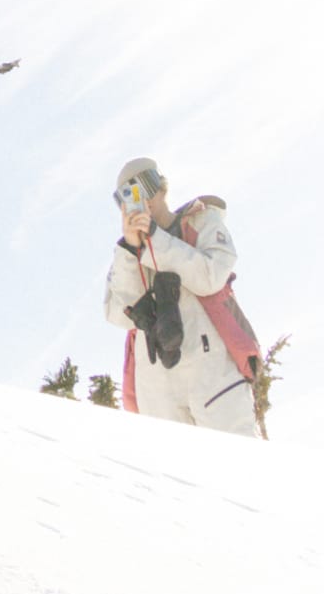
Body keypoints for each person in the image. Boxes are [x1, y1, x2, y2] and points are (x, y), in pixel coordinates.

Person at [102, 156, 262, 436]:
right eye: (128, 196)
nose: (142, 201)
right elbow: (119, 312)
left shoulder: (201, 222)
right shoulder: (126, 253)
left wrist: (156, 239)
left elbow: (211, 276)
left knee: (238, 463)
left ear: (163, 188)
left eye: (146, 188)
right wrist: (131, 247)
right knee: (172, 475)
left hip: (212, 375)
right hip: (158, 388)